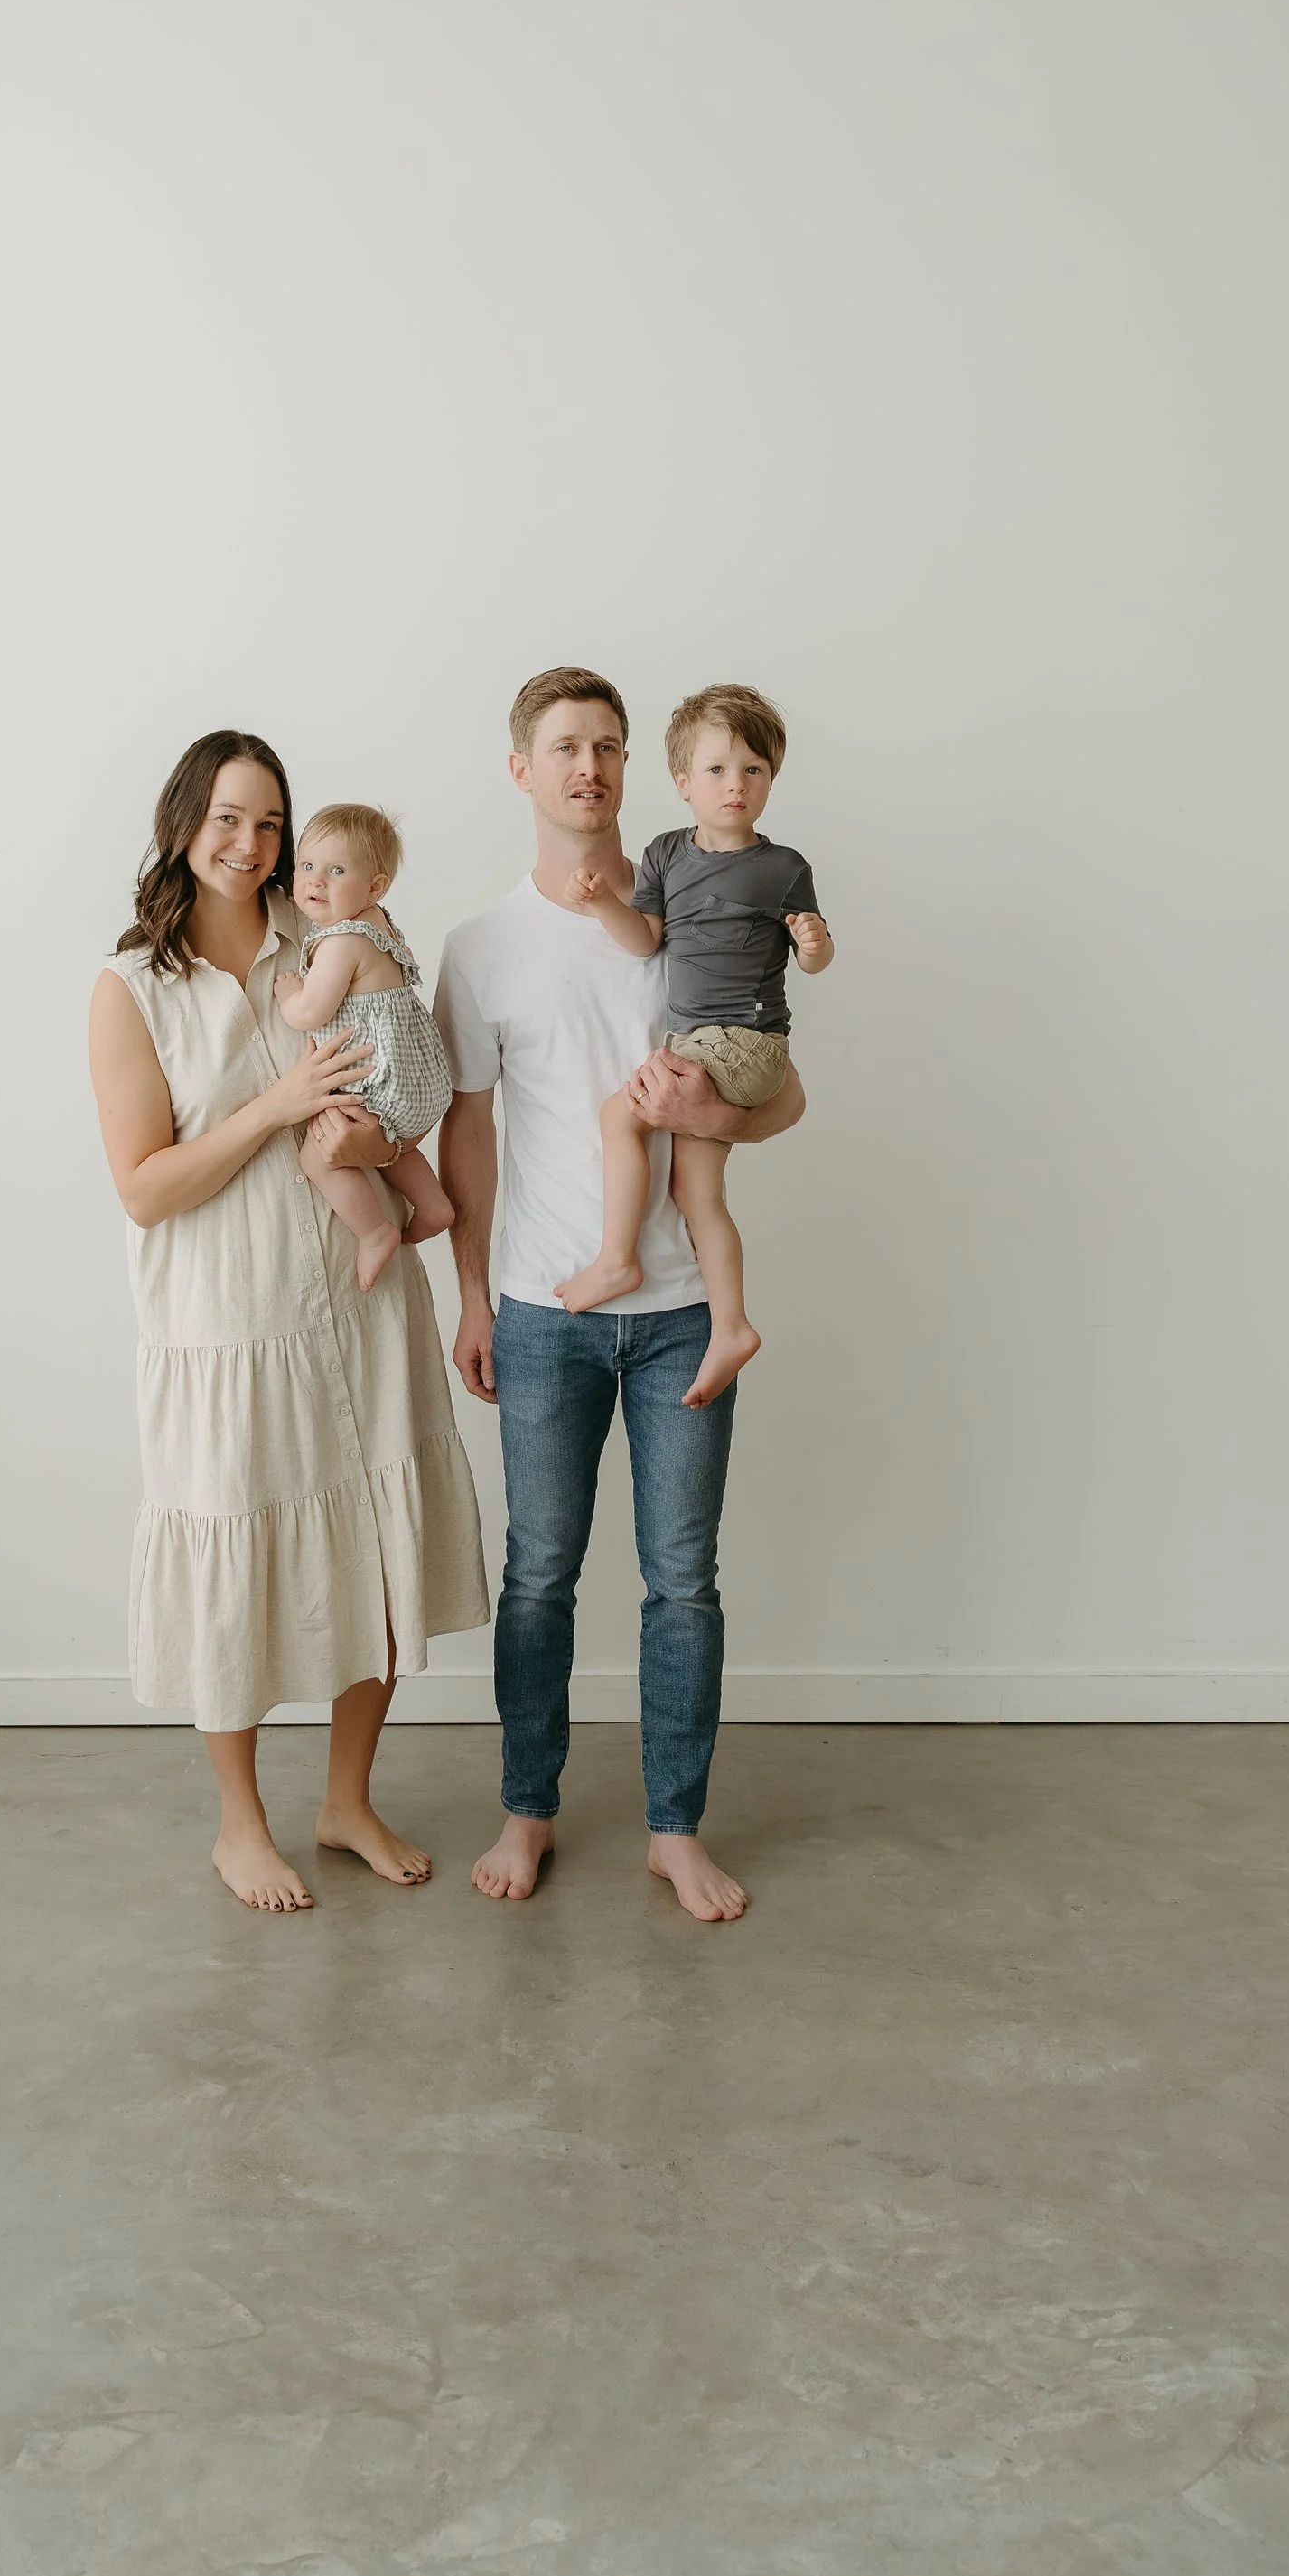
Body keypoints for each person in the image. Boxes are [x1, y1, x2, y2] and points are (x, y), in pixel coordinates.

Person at [89, 731, 490, 1914]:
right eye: (227, 816)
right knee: (237, 1564)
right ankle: (240, 1824)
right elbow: (143, 1187)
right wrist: (275, 1106)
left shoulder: (326, 934)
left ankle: (347, 1801)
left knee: (374, 1544)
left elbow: (394, 1081)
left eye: (269, 822)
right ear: (182, 822)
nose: (251, 843)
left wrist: (377, 1140)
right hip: (228, 1321)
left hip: (359, 1300)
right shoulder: (134, 988)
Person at [433, 672, 805, 1925]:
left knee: (682, 1581)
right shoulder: (481, 947)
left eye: (606, 745)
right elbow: (468, 1133)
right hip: (545, 1308)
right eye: (562, 746)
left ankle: (674, 1829)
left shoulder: (691, 908)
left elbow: (784, 1093)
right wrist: (472, 1295)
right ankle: (526, 1808)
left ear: (631, 766)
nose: (586, 765)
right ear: (522, 770)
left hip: (686, 1311)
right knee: (538, 1574)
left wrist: (717, 1112)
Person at [559, 684, 832, 1410]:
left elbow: (813, 959)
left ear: (771, 779)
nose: (735, 785)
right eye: (716, 770)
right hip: (703, 1042)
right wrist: (603, 903)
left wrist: (813, 945)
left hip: (745, 1044)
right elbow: (644, 940)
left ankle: (616, 1260)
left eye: (753, 770)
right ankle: (731, 1325)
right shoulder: (666, 855)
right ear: (682, 782)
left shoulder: (783, 868)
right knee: (695, 1192)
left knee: (620, 1116)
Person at [276, 803, 455, 1293]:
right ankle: (433, 1204)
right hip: (418, 1084)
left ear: (374, 887)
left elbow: (310, 1012)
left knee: (317, 1158)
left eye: (336, 871)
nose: (315, 881)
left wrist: (290, 993)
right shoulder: (378, 924)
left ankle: (375, 1231)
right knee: (394, 1146)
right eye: (307, 865)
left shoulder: (342, 941)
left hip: (378, 1084)